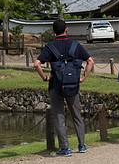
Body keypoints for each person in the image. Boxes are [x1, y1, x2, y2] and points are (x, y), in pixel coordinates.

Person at [34, 18, 95, 156]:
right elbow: (90, 61)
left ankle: (64, 148)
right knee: (76, 115)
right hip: (73, 85)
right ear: (67, 30)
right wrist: (83, 77)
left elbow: (36, 64)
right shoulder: (75, 45)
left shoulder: (50, 47)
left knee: (59, 116)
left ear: (53, 31)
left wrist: (44, 77)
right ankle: (81, 145)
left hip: (56, 85)